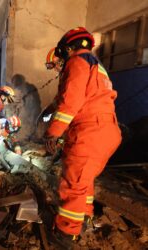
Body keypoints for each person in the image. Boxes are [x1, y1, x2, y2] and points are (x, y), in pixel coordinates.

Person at [43, 27, 122, 248]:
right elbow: (69, 97)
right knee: (83, 181)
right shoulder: (92, 63)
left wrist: (53, 132)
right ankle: (83, 218)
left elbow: (71, 101)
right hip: (106, 131)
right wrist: (50, 114)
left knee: (73, 184)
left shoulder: (76, 62)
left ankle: (65, 234)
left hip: (90, 131)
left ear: (67, 48)